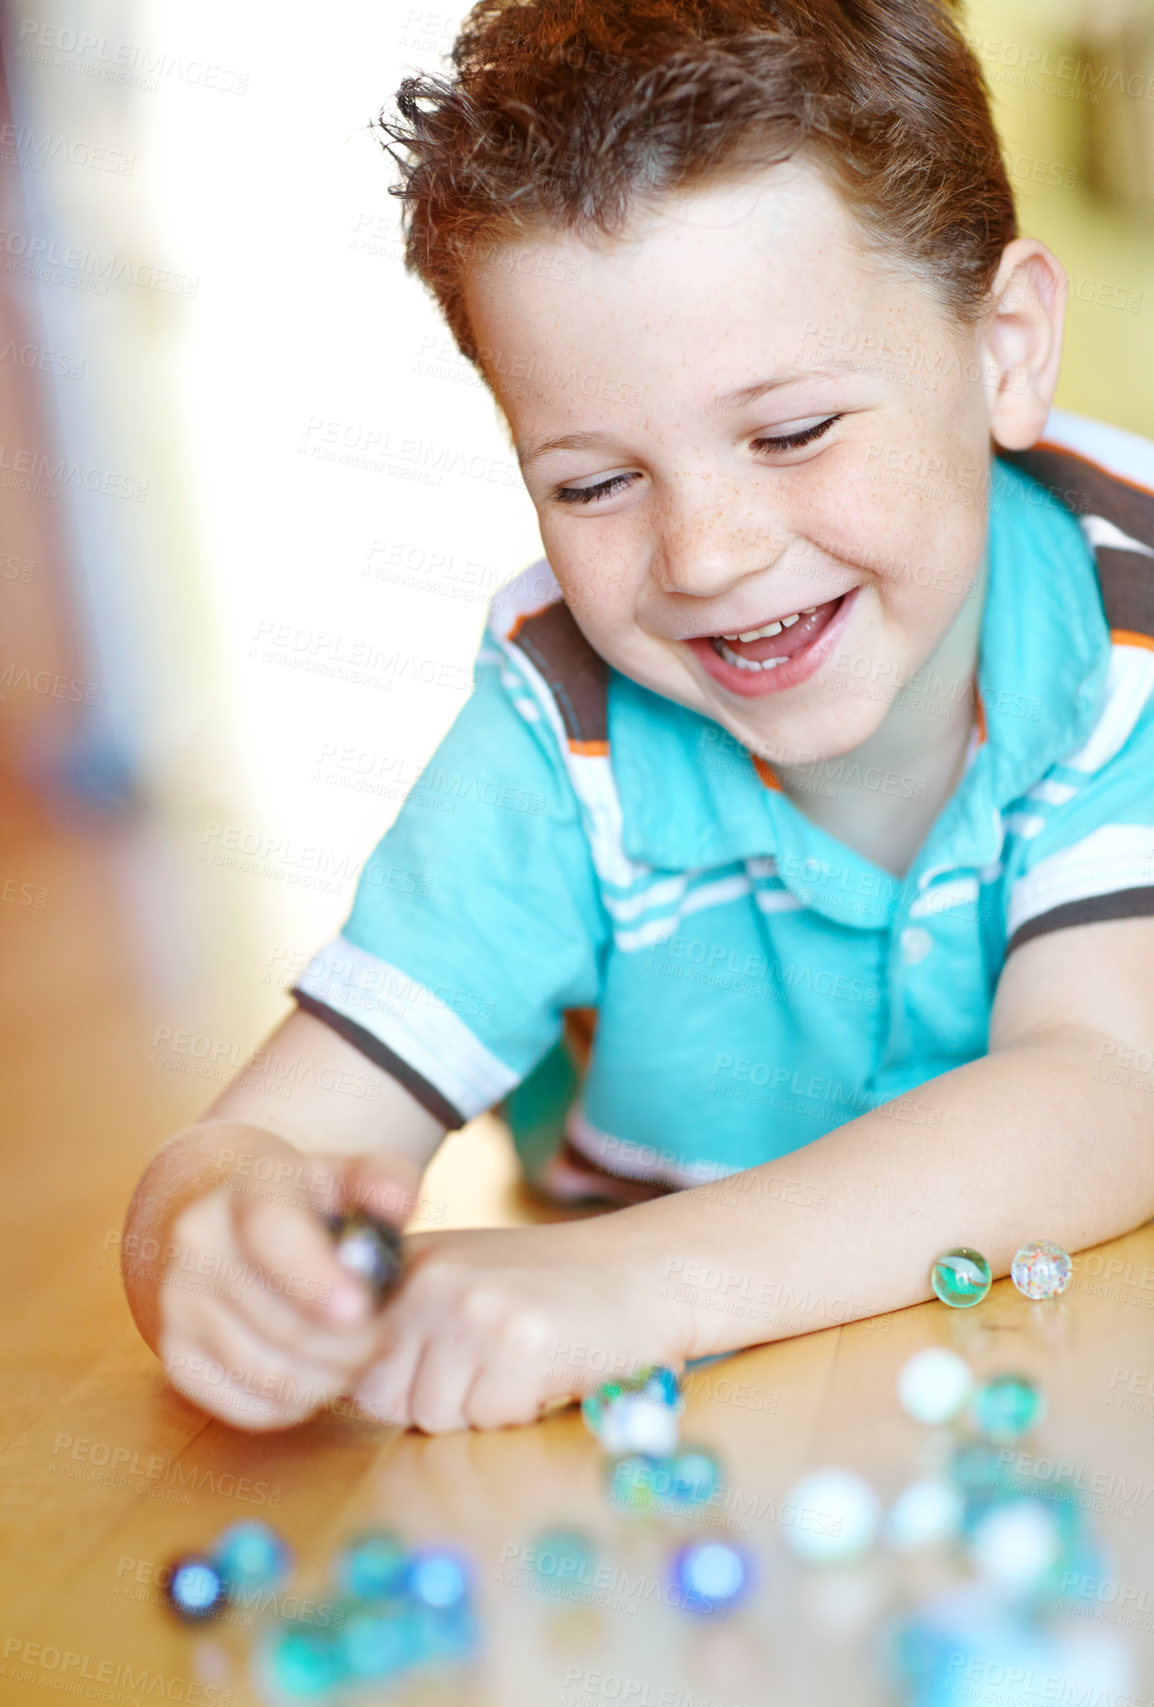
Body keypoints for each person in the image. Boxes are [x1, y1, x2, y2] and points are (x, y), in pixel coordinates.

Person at [122, 0, 1154, 1435]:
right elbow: (260, 1140)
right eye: (593, 483)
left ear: (1003, 348)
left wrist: (634, 1285)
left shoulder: (1125, 641)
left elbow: (1106, 1087)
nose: (705, 556)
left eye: (791, 432)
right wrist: (220, 1252)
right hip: (691, 1449)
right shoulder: (564, 740)